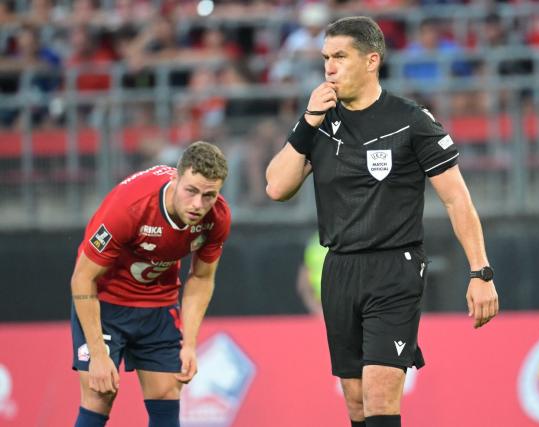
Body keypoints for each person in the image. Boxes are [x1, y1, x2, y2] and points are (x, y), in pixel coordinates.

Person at [265, 16, 498, 427]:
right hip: (339, 270)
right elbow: (276, 188)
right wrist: (307, 122)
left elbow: (457, 198)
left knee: (379, 393)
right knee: (354, 401)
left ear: (371, 60)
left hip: (395, 267)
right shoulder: (320, 122)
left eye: (340, 56)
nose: (329, 67)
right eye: (325, 58)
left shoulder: (411, 121)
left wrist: (480, 271)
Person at [70, 141, 231, 427]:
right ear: (175, 178)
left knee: (168, 392)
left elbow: (202, 277)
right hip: (106, 303)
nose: (198, 204)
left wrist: (190, 343)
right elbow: (82, 278)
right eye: (191, 191)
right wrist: (97, 354)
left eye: (209, 195)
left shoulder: (217, 217)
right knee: (99, 396)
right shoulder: (130, 206)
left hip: (159, 303)